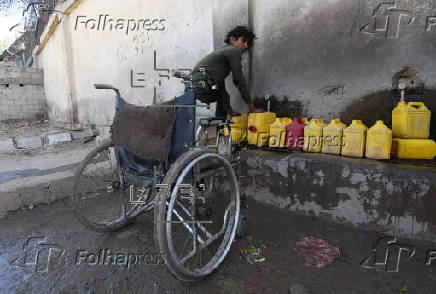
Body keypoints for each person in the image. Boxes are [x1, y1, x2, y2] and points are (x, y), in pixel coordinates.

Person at [191, 26, 263, 117]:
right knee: (201, 118)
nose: (246, 45)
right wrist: (252, 108)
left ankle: (220, 125)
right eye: (243, 41)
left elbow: (221, 89)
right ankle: (218, 125)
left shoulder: (223, 55)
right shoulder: (233, 51)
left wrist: (230, 113)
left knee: (222, 95)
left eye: (248, 43)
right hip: (200, 87)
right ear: (232, 40)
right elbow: (239, 80)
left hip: (194, 87)